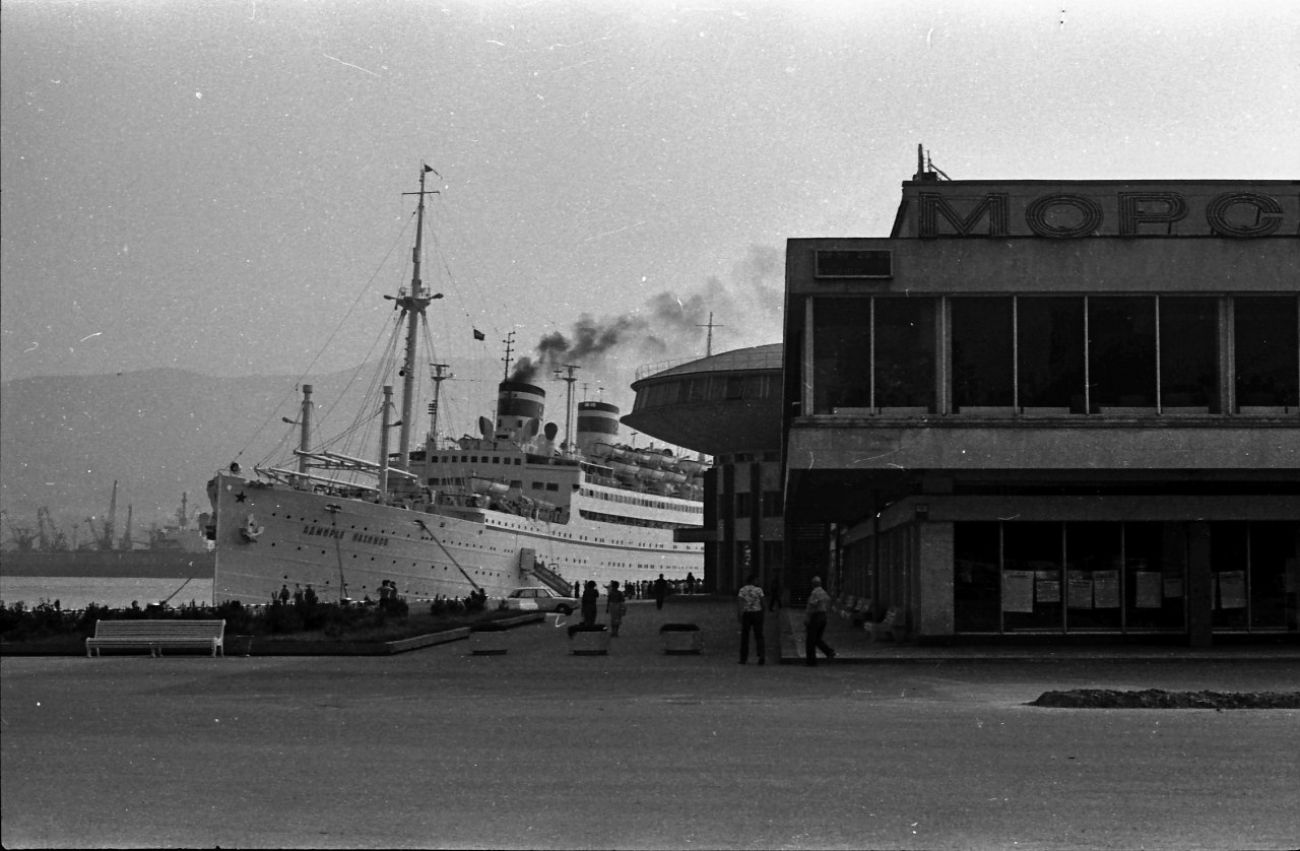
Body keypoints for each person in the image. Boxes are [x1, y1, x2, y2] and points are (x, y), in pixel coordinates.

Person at [804, 575, 836, 666]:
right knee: (817, 638)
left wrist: (807, 617)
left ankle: (811, 661)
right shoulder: (824, 592)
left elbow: (812, 605)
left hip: (816, 616)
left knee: (810, 640)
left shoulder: (815, 593)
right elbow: (829, 601)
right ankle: (829, 651)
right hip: (823, 616)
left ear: (813, 584)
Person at [736, 574, 766, 665]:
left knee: (745, 636)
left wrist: (739, 614)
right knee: (759, 635)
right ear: (754, 580)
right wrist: (763, 612)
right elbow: (763, 602)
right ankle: (761, 655)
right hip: (757, 613)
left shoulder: (742, 590)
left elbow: (740, 603)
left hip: (747, 613)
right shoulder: (759, 590)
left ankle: (743, 658)